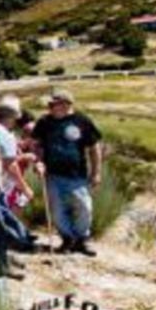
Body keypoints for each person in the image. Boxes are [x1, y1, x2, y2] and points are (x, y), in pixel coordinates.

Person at [32, 89, 103, 257]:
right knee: (57, 209)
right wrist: (38, 161)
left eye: (53, 104)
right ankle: (67, 239)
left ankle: (81, 239)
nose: (49, 107)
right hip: (53, 175)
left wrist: (96, 172)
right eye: (49, 105)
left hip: (77, 175)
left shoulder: (82, 121)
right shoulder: (44, 122)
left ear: (65, 104)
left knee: (84, 207)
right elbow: (37, 145)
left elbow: (94, 148)